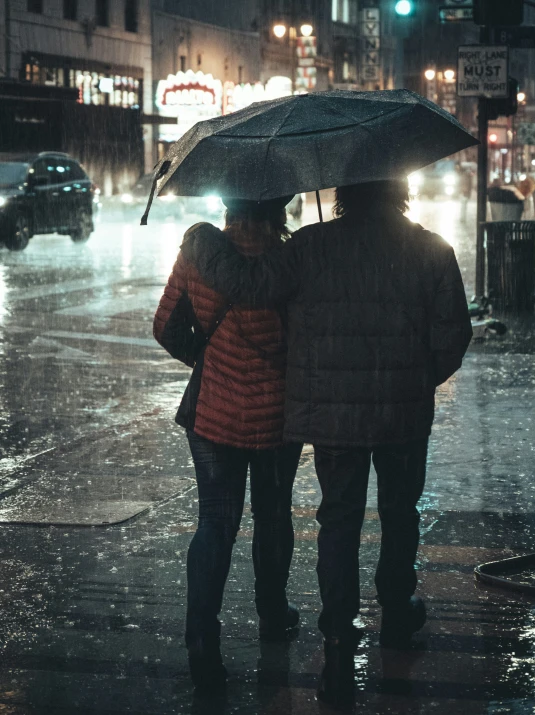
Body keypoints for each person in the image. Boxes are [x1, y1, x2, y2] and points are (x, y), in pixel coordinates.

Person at [183, 179, 473, 708]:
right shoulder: (433, 250)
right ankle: (397, 613)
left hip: (333, 418)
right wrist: (415, 380)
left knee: (338, 518)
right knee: (400, 512)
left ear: (345, 192)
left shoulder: (310, 246)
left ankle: (338, 629)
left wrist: (200, 239)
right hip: (403, 416)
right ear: (400, 191)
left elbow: (248, 287)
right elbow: (454, 336)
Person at [153, 196, 303, 695]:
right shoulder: (291, 258)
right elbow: (304, 336)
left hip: (213, 414)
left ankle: (200, 637)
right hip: (276, 417)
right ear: (279, 207)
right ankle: (273, 614)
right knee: (274, 515)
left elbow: (166, 325)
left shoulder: (199, 251)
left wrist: (207, 355)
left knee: (215, 521)